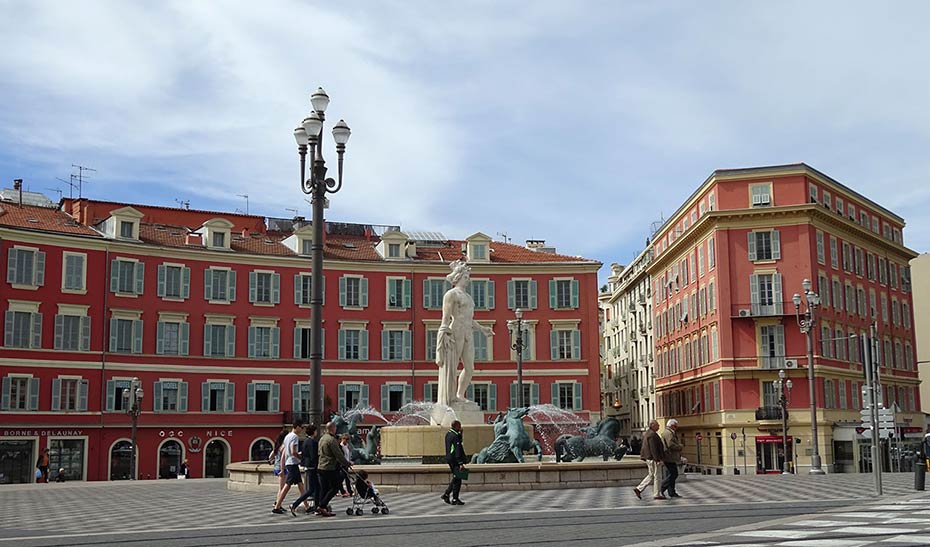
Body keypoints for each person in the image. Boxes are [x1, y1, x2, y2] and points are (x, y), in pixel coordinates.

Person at [435, 260, 495, 405]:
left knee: (470, 368)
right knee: (453, 366)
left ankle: (460, 394)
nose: (468, 279)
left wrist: (482, 328)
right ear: (458, 277)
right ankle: (451, 398)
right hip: (456, 331)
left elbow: (469, 319)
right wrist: (444, 332)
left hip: (468, 332)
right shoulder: (451, 294)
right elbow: (446, 316)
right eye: (466, 276)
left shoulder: (468, 297)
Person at [272, 423, 310, 515]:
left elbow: (284, 452)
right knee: (287, 485)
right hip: (293, 463)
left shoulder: (287, 437)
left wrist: (283, 465)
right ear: (296, 427)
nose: (302, 430)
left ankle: (307, 506)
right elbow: (293, 451)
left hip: (290, 463)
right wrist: (300, 457)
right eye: (301, 427)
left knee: (301, 485)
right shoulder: (295, 437)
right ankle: (277, 506)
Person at [317, 421, 352, 517]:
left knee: (323, 489)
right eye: (335, 428)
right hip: (329, 467)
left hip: (320, 467)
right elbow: (338, 454)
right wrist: (347, 463)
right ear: (333, 428)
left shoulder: (322, 438)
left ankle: (320, 508)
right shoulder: (332, 440)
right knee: (335, 487)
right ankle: (322, 505)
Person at [289, 424, 320, 515]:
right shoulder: (313, 442)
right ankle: (295, 504)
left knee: (315, 489)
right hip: (312, 467)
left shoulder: (305, 441)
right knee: (313, 489)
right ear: (314, 432)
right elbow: (313, 455)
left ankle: (315, 507)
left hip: (307, 466)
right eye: (316, 431)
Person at [633, 419, 665, 500]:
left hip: (649, 457)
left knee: (651, 475)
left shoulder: (647, 434)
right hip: (653, 458)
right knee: (657, 476)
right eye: (657, 425)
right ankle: (656, 494)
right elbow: (653, 448)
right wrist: (657, 459)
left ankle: (639, 489)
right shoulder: (652, 435)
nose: (659, 426)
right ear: (652, 425)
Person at [441, 420, 467, 505]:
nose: (460, 427)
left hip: (450, 459)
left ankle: (447, 495)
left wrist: (460, 434)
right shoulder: (455, 436)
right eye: (459, 426)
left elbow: (453, 445)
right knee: (458, 479)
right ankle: (453, 498)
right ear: (456, 426)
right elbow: (457, 449)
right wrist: (460, 463)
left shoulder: (448, 434)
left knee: (457, 477)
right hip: (455, 460)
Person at [660, 419, 683, 498]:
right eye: (676, 426)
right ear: (672, 426)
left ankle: (671, 492)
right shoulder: (668, 433)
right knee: (674, 474)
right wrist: (679, 446)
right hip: (669, 457)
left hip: (669, 457)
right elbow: (670, 445)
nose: (676, 428)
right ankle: (662, 487)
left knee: (672, 474)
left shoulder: (668, 432)